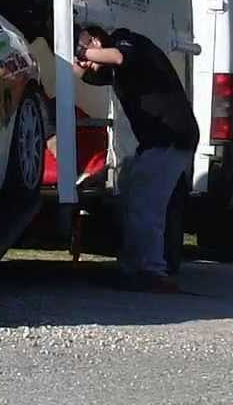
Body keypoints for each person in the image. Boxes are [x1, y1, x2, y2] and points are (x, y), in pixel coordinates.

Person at [73, 25, 199, 293]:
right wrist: (72, 57)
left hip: (172, 136)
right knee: (132, 198)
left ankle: (152, 271)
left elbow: (118, 56)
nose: (86, 58)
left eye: (86, 47)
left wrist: (83, 50)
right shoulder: (117, 71)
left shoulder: (127, 40)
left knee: (147, 205)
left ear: (97, 39)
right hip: (156, 140)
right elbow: (88, 75)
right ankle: (132, 268)